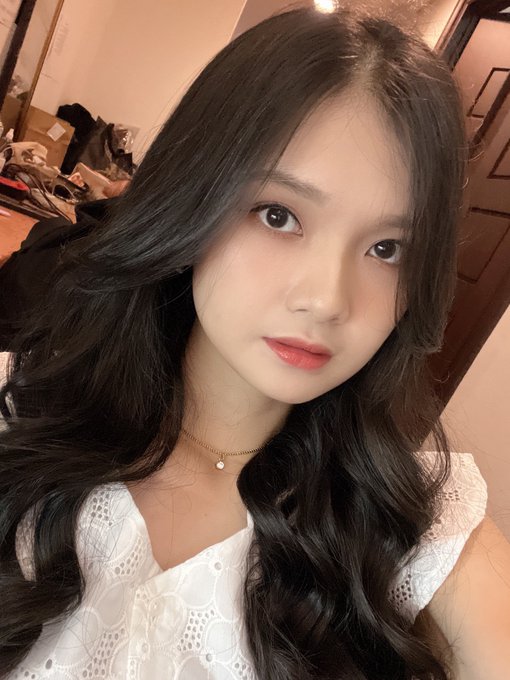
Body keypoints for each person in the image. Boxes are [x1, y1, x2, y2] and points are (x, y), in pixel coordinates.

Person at [1, 6, 509, 680]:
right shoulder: (20, 412)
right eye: (279, 215)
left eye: (388, 249)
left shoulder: (417, 521)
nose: (327, 299)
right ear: (193, 197)